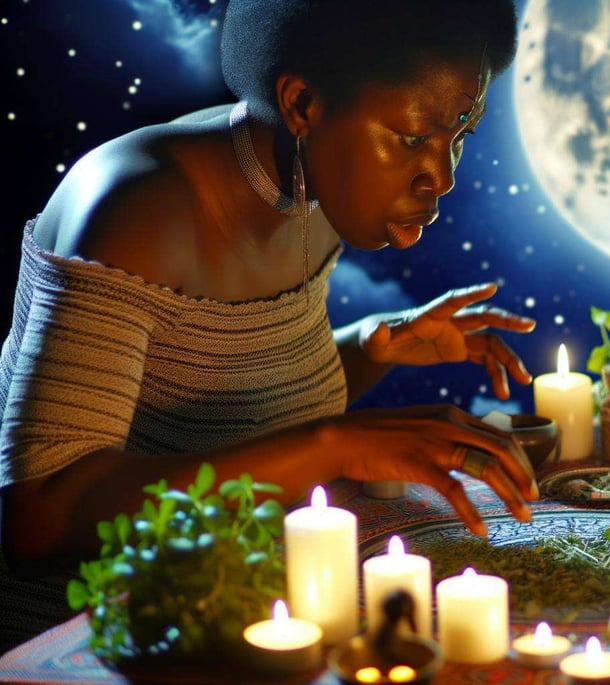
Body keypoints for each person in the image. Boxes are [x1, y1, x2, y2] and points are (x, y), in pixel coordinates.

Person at [0, 0, 536, 650]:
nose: (442, 176)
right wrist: (333, 445)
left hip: (249, 604)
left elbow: (224, 405)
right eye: (413, 137)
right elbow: (39, 518)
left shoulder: (311, 185)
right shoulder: (136, 209)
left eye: (459, 135)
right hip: (101, 637)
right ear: (303, 104)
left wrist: (370, 347)